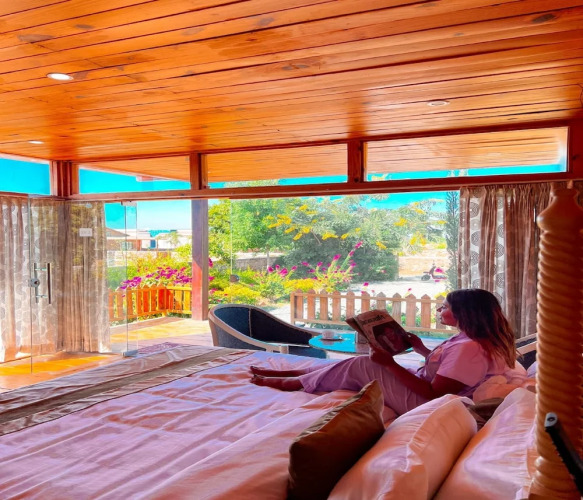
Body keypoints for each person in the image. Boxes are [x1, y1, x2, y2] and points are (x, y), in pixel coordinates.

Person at [250, 288, 525, 415]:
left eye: (445, 307)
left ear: (464, 313)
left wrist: (390, 364)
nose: (440, 309)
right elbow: (450, 372)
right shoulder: (472, 340)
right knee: (363, 364)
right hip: (432, 393)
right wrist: (421, 350)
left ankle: (295, 381)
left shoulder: (470, 348)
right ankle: (298, 374)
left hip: (427, 404)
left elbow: (435, 393)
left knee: (362, 365)